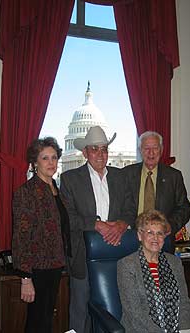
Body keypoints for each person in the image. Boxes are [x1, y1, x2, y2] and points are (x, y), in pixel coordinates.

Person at [60, 126, 135, 333]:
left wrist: (121, 224)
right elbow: (67, 217)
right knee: (80, 311)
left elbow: (131, 209)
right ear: (85, 152)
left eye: (104, 149)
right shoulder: (70, 179)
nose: (100, 154)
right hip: (82, 256)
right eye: (95, 149)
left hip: (117, 254)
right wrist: (96, 224)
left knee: (115, 309)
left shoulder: (121, 177)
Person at [12, 137, 71, 333]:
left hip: (55, 265)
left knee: (45, 319)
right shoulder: (26, 192)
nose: (51, 163)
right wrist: (26, 279)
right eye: (45, 158)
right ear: (35, 162)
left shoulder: (55, 189)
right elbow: (21, 236)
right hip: (36, 268)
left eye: (54, 157)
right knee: (37, 322)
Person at [117, 210, 190, 333]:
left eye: (160, 233)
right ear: (139, 235)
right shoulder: (127, 265)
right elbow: (134, 313)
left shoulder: (175, 263)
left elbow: (184, 303)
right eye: (150, 233)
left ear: (164, 237)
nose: (155, 238)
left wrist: (186, 331)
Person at [123, 131, 190, 253]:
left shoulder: (173, 176)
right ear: (140, 150)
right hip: (132, 238)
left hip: (162, 239)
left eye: (155, 148)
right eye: (146, 148)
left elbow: (184, 208)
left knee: (161, 272)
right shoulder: (126, 174)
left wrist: (169, 225)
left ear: (161, 150)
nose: (151, 153)